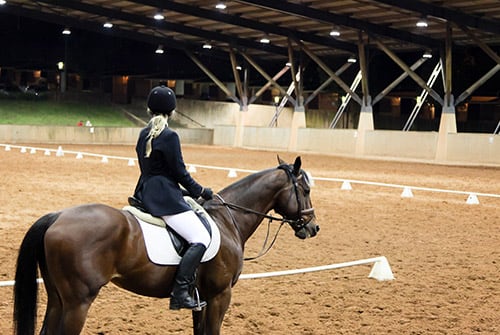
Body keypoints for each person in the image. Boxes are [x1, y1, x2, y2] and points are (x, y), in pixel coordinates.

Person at [133, 85, 213, 310]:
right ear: (172, 111)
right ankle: (180, 292)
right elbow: (179, 172)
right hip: (164, 198)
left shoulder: (143, 133)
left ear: (149, 110)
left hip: (145, 191)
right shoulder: (170, 135)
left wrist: (181, 190)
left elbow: (154, 170)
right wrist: (200, 191)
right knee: (200, 237)